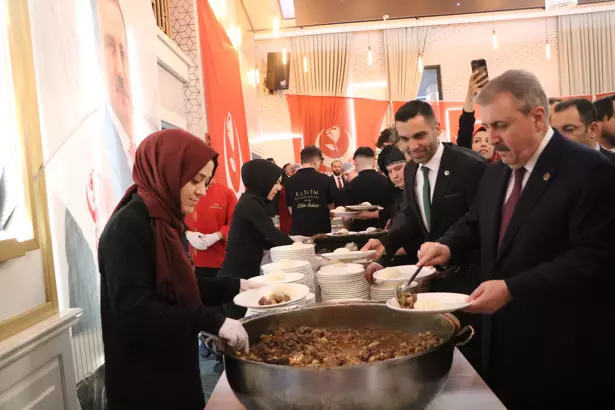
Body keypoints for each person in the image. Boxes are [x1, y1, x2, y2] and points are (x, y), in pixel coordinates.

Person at [417, 70, 615, 410]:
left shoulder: (589, 170)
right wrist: (447, 245)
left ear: (538, 118)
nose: (491, 138)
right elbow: (474, 222)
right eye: (487, 126)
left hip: (563, 352)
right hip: (503, 344)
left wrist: (512, 288)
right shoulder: (496, 172)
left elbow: (594, 259)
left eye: (501, 126)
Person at [98, 129, 258, 410]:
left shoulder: (167, 220)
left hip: (175, 363)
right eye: (195, 180)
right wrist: (214, 322)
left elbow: (177, 284)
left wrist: (235, 286)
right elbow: (137, 312)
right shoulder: (129, 226)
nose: (202, 191)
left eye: (206, 182)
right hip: (143, 380)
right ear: (166, 169)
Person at [362, 100, 487, 369]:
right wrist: (385, 244)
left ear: (437, 129)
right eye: (405, 139)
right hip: (435, 281)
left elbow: (478, 220)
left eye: (420, 135)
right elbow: (409, 218)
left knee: (472, 359)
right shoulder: (410, 169)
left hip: (471, 278)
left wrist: (445, 244)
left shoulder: (470, 166)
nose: (413, 146)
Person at [218, 159, 293, 318]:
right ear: (263, 181)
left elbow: (263, 239)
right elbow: (271, 233)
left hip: (244, 274)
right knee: (243, 325)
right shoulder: (250, 204)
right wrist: (298, 246)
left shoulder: (254, 201)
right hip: (235, 277)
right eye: (276, 183)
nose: (279, 188)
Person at [185, 180, 237, 280]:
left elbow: (235, 224)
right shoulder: (182, 191)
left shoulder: (226, 193)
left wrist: (218, 235)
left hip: (217, 260)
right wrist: (187, 234)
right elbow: (172, 220)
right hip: (185, 260)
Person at [285, 146, 337, 236]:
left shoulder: (289, 181)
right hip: (321, 231)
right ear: (316, 161)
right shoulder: (325, 179)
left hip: (298, 230)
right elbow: (331, 207)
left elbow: (290, 209)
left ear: (302, 161)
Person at [340, 147, 395, 231]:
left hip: (359, 232)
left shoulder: (350, 186)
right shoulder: (389, 182)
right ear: (373, 161)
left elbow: (346, 218)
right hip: (386, 230)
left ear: (356, 163)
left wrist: (350, 230)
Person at [551, 98, 615, 163]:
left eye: (569, 129)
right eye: (554, 131)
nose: (559, 138)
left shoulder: (611, 166)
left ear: (593, 129)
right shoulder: (549, 166)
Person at [458, 71, 500, 163]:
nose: (483, 144)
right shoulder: (466, 168)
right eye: (477, 141)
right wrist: (470, 96)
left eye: (488, 141)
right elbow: (465, 128)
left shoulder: (506, 171)